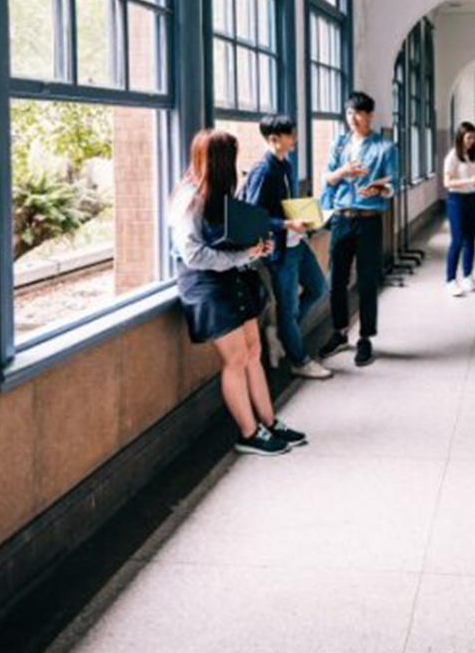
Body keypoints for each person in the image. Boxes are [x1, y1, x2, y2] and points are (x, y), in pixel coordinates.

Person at [168, 128, 308, 456]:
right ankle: (248, 433)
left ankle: (270, 422)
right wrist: (244, 255)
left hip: (232, 277)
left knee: (253, 352)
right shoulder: (189, 199)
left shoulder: (213, 192)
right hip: (204, 285)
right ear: (217, 161)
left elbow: (225, 235)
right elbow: (194, 255)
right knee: (235, 359)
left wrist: (255, 244)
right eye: (230, 158)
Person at [239, 114, 333, 380]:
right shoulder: (263, 171)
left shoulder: (286, 164)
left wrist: (304, 218)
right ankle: (299, 360)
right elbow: (254, 216)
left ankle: (279, 332)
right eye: (291, 135)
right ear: (274, 139)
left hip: (296, 242)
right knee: (289, 309)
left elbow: (285, 202)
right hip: (279, 250)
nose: (295, 139)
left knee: (318, 289)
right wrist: (286, 224)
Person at [317, 91, 399, 367]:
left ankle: (365, 338)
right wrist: (342, 173)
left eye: (358, 113)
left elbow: (392, 186)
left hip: (368, 220)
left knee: (366, 281)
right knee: (336, 279)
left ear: (369, 116)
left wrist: (378, 187)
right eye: (349, 113)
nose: (352, 119)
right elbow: (326, 178)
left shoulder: (384, 147)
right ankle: (340, 332)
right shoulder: (339, 145)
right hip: (341, 218)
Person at [443, 121, 475, 297]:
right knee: (457, 240)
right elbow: (447, 183)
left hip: (474, 199)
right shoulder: (452, 156)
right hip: (457, 201)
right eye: (469, 137)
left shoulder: (474, 155)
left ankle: (468, 276)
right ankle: (450, 280)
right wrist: (470, 181)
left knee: (471, 239)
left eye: (474, 137)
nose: (471, 141)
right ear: (460, 137)